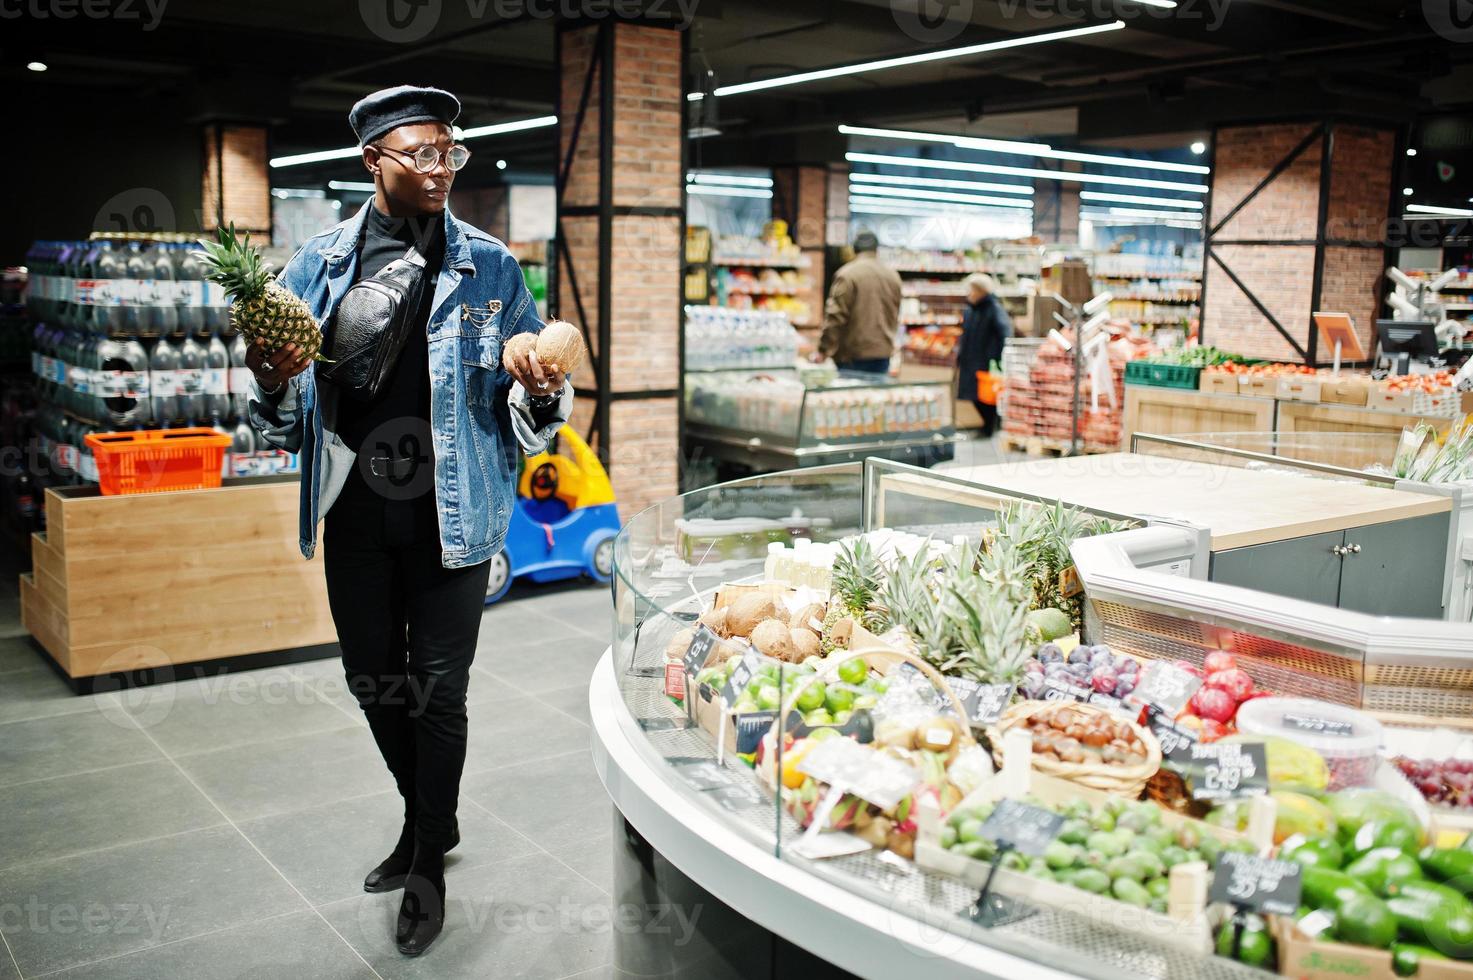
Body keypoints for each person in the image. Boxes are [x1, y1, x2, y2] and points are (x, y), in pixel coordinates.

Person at [246, 85, 571, 957]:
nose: (439, 170)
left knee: (437, 691)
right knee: (371, 679)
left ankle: (426, 857)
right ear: (373, 162)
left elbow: (536, 396)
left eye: (449, 153)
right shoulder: (315, 266)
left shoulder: (492, 265)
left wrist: (541, 387)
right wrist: (272, 380)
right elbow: (276, 424)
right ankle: (428, 816)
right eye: (420, 154)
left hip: (453, 514)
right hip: (353, 505)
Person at [816, 230, 902, 375]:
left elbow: (836, 316)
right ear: (876, 250)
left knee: (852, 396)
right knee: (875, 396)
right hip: (883, 353)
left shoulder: (847, 274)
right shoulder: (893, 275)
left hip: (852, 355)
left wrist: (823, 349)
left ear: (854, 249)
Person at [956, 272, 1012, 437]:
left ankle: (990, 427)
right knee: (974, 395)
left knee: (986, 396)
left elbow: (1005, 333)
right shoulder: (970, 310)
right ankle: (987, 426)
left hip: (986, 361)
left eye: (972, 290)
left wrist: (997, 356)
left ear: (982, 291)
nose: (969, 294)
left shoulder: (994, 309)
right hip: (971, 359)